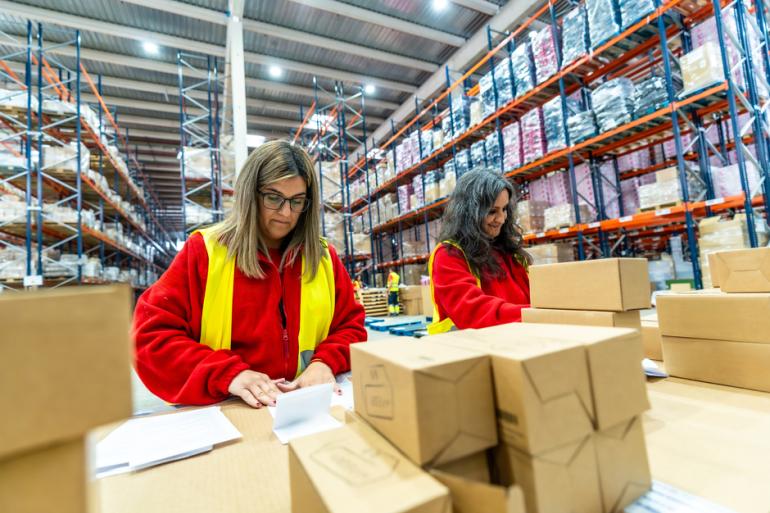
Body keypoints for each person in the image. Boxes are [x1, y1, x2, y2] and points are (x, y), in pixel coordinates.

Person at [133, 141, 367, 408]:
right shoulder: (205, 253)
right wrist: (227, 374)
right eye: (273, 198)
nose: (286, 212)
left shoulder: (324, 258)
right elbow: (150, 337)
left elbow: (351, 326)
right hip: (229, 408)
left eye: (297, 201)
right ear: (250, 196)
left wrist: (324, 362)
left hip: (307, 409)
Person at [427, 169, 531, 334]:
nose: (502, 219)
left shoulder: (510, 253)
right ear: (469, 213)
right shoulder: (448, 255)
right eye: (492, 212)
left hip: (516, 343)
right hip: (467, 352)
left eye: (504, 209)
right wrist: (537, 315)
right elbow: (474, 312)